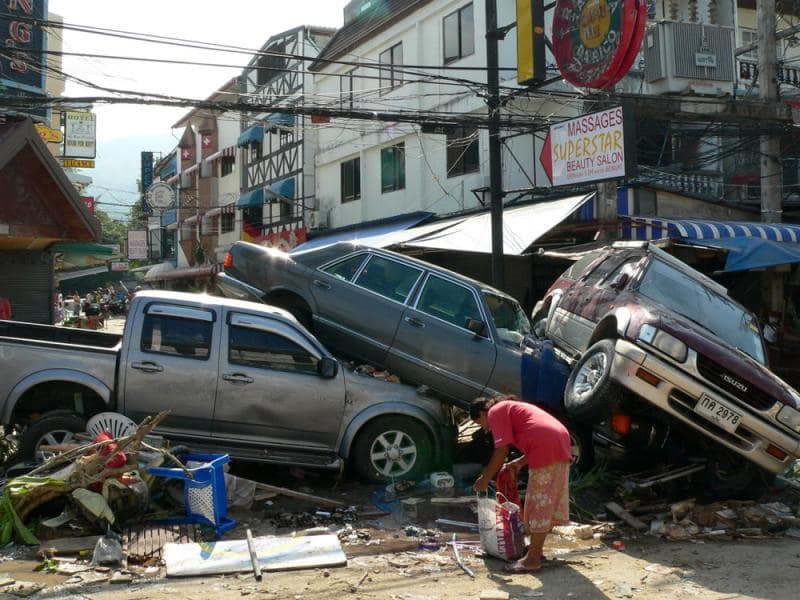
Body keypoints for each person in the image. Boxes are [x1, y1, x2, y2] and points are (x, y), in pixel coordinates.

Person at [471, 395, 572, 573]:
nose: (486, 428)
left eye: (481, 423)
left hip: (547, 445)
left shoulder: (495, 411)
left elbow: (502, 450)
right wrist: (518, 463)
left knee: (538, 506)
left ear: (481, 413)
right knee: (545, 504)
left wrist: (485, 479)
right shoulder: (511, 408)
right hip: (559, 441)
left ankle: (532, 559)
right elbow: (538, 433)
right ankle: (535, 553)